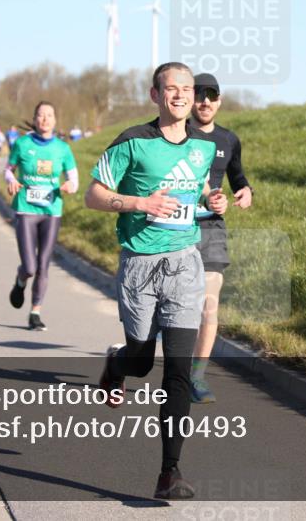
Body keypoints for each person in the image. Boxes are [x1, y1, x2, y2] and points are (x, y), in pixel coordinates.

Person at [86, 62, 227, 499]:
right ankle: (117, 363)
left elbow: (198, 184)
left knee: (178, 370)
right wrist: (138, 201)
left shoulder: (203, 147)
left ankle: (170, 471)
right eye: (172, 88)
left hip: (186, 262)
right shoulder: (133, 142)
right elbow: (93, 194)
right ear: (155, 95)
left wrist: (211, 198)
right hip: (140, 265)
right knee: (142, 361)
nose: (182, 95)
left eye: (187, 88)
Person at [188, 73, 254, 403]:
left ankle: (196, 376)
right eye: (199, 95)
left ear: (219, 101)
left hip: (212, 228)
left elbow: (238, 176)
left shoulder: (228, 140)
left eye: (211, 96)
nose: (205, 101)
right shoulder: (176, 133)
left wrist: (245, 191)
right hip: (174, 229)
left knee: (209, 306)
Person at [5, 101, 78, 331]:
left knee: (43, 265)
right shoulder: (22, 144)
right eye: (41, 115)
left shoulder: (63, 149)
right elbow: (8, 169)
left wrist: (69, 186)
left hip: (51, 211)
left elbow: (74, 180)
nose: (45, 119)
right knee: (29, 266)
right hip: (26, 208)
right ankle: (20, 281)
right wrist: (12, 181)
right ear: (35, 119)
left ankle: (35, 312)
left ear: (55, 120)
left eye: (49, 115)